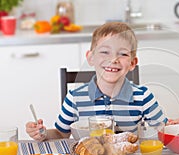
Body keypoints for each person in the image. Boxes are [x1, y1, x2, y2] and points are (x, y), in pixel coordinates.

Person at [26, 22, 167, 141]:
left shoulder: (143, 97)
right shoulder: (75, 97)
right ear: (91, 57)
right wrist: (42, 134)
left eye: (123, 54)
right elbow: (61, 133)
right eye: (105, 52)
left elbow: (164, 131)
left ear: (132, 63)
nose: (113, 60)